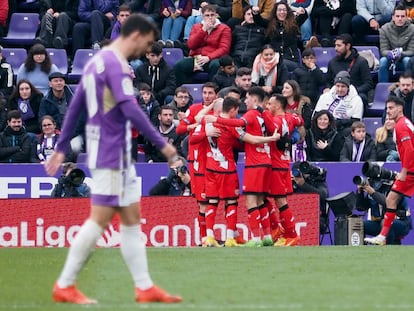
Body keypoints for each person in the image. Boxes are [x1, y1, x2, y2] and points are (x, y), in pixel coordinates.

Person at [44, 13, 182, 304]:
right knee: (99, 220)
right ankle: (65, 284)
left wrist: (61, 145)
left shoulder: (96, 61)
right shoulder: (116, 65)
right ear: (135, 35)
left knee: (132, 219)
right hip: (111, 152)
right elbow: (130, 110)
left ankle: (144, 287)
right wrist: (164, 145)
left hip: (111, 152)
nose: (145, 50)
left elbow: (75, 105)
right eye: (145, 43)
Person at [199, 96, 279, 247]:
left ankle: (209, 237)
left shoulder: (208, 121)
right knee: (231, 202)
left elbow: (198, 118)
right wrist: (272, 138)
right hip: (226, 169)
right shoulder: (232, 126)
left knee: (212, 202)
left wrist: (210, 107)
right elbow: (253, 140)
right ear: (233, 110)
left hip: (210, 168)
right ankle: (230, 238)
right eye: (236, 111)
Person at [364, 96, 414, 245]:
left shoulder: (401, 126)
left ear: (400, 108)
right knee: (391, 199)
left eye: (391, 108)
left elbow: (410, 150)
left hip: (410, 170)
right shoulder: (405, 123)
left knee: (391, 199)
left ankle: (382, 236)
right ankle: (382, 236)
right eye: (387, 108)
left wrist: (404, 170)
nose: (388, 111)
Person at [176, 82, 219, 247]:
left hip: (215, 160)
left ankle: (212, 236)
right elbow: (180, 129)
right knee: (202, 201)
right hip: (198, 160)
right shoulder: (194, 109)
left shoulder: (218, 110)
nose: (207, 96)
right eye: (205, 93)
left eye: (210, 93)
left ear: (216, 95)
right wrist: (197, 126)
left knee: (215, 200)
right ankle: (204, 238)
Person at [174, 4, 231, 85]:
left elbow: (224, 49)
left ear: (216, 15)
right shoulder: (196, 27)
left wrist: (209, 57)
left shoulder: (224, 28)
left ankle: (213, 90)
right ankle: (182, 91)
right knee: (179, 66)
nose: (210, 17)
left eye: (212, 15)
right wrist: (203, 30)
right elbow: (191, 45)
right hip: (197, 58)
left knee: (216, 65)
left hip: (212, 58)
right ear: (202, 16)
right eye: (207, 15)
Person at [355, 166, 411, 245]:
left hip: (401, 222)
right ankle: (361, 251)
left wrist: (373, 193)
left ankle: (388, 249)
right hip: (379, 223)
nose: (373, 182)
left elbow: (388, 203)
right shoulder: (371, 188)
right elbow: (361, 208)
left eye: (375, 181)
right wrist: (359, 192)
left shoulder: (393, 186)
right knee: (359, 225)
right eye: (371, 180)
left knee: (385, 222)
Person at [326, 34, 373, 108]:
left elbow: (368, 83)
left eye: (339, 46)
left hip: (355, 94)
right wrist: (328, 88)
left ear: (347, 46)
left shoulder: (361, 61)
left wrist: (352, 91)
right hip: (337, 93)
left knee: (361, 98)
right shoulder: (332, 62)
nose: (336, 48)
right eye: (335, 45)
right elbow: (328, 81)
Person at [253, 2, 301, 72]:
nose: (282, 12)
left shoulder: (293, 24)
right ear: (275, 12)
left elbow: (303, 17)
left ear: (287, 12)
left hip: (291, 61)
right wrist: (255, 13)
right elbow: (259, 20)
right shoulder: (270, 24)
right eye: (279, 10)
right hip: (274, 61)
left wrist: (303, 11)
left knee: (280, 64)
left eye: (284, 10)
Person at [315, 70, 364, 138]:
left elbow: (356, 121)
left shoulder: (356, 100)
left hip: (344, 128)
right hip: (325, 125)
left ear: (348, 87)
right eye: (337, 86)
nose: (340, 89)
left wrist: (339, 122)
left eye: (343, 86)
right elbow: (316, 115)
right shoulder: (325, 97)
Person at [292, 161, 329, 236]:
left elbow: (322, 195)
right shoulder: (293, 181)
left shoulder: (317, 180)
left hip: (317, 216)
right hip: (296, 215)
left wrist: (304, 185)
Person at [379, 5, 414, 83]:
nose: (400, 19)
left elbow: (411, 51)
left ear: (406, 17)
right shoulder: (384, 29)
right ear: (393, 17)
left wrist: (400, 53)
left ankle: (409, 86)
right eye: (397, 16)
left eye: (402, 16)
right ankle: (382, 87)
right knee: (382, 61)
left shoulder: (412, 29)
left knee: (408, 60)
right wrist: (391, 53)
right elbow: (383, 50)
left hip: (405, 58)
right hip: (390, 59)